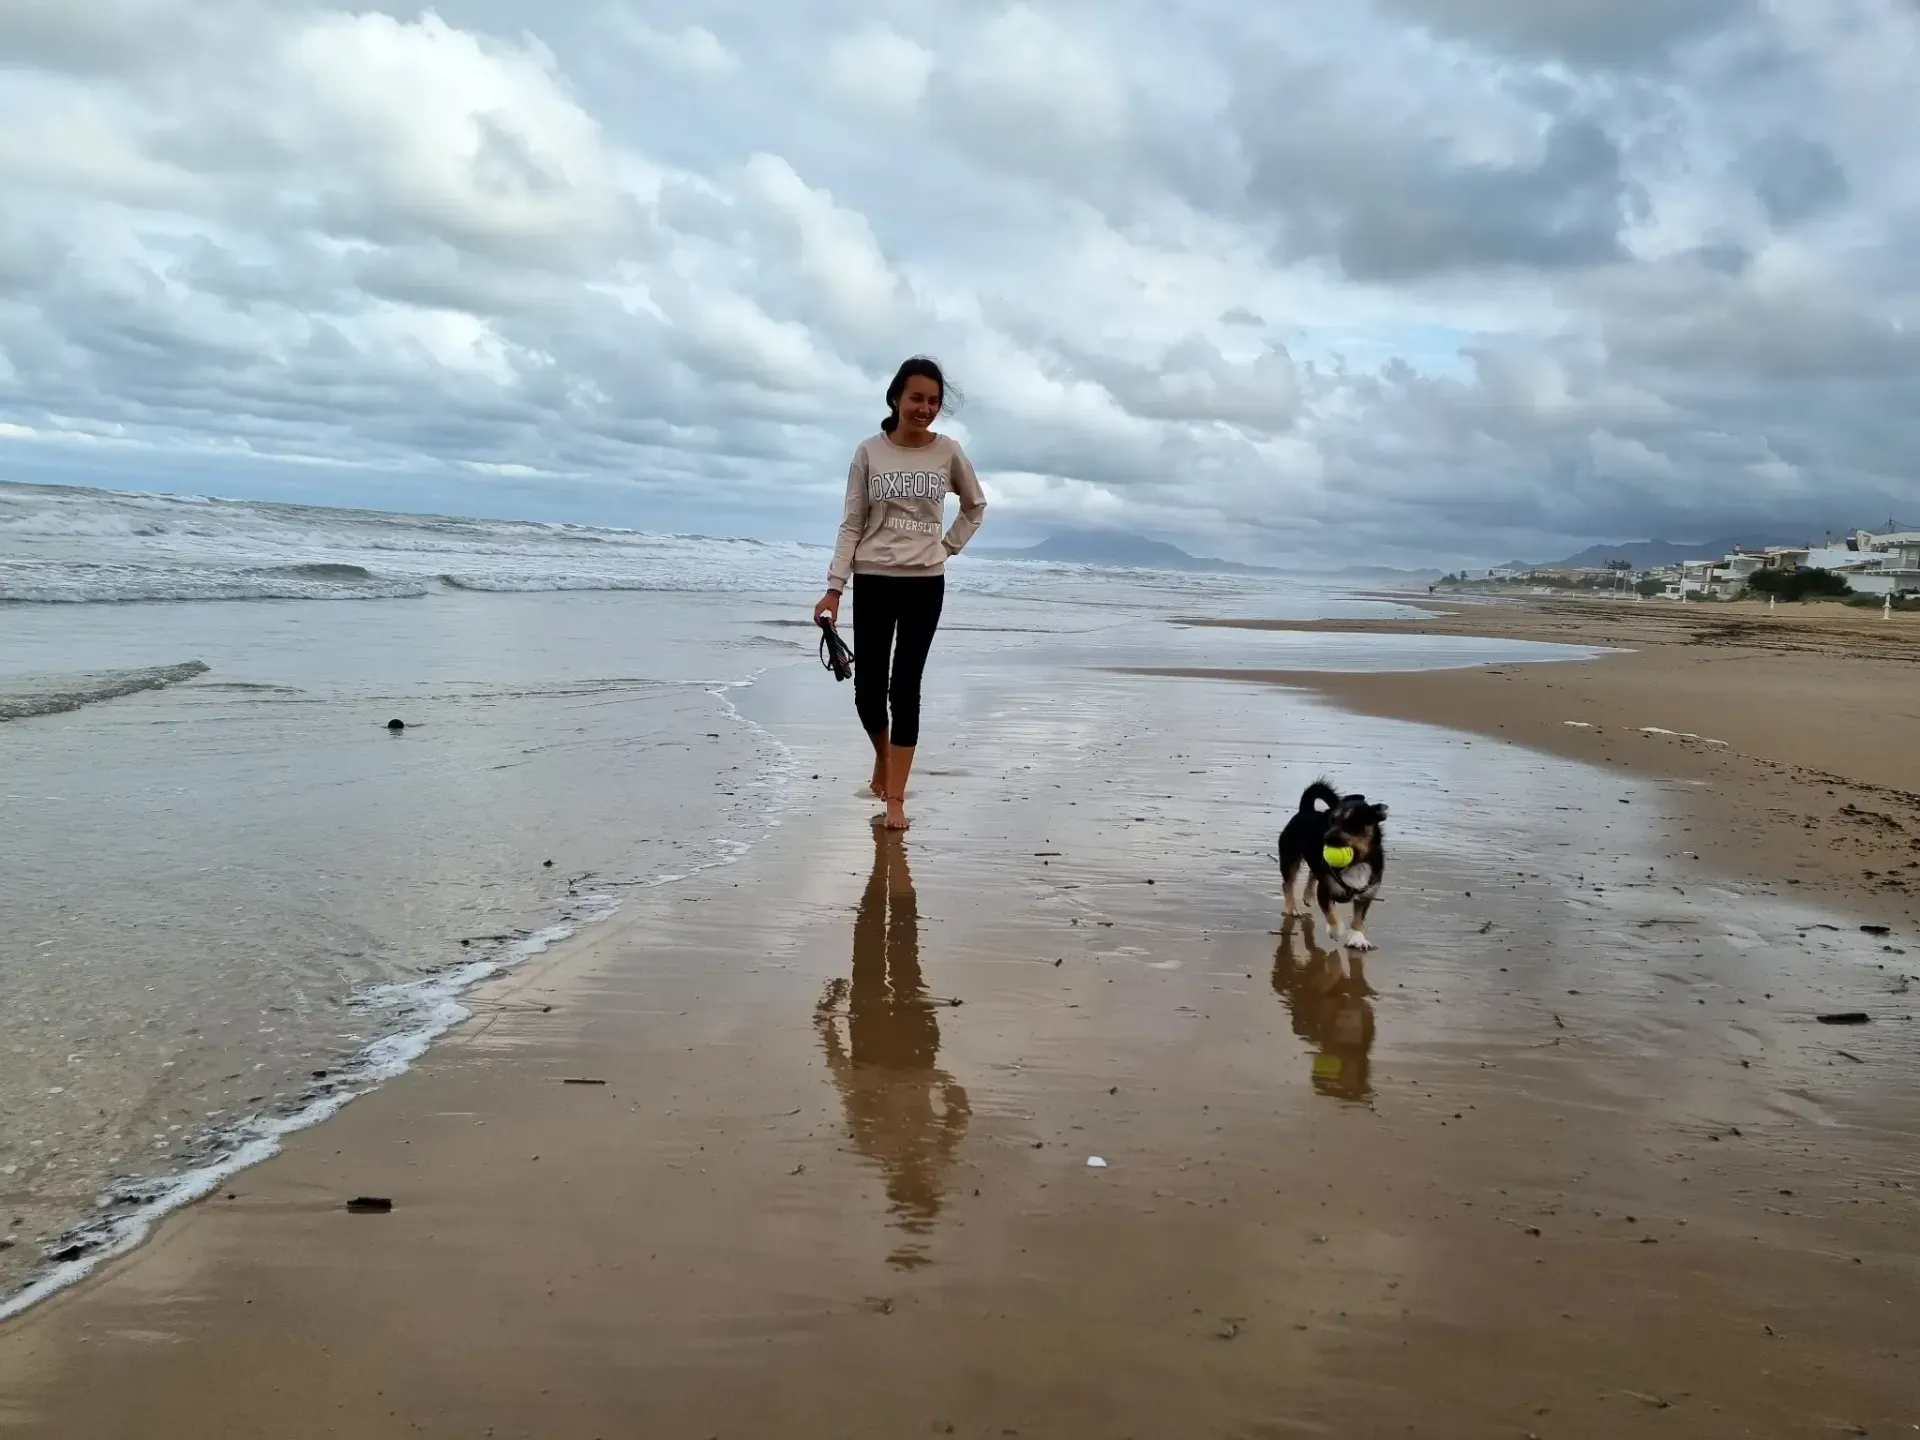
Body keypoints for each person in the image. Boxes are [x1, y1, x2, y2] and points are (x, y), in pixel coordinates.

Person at [813, 357, 987, 830]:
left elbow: (975, 506)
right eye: (917, 398)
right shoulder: (869, 451)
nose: (925, 408)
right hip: (872, 581)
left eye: (933, 400)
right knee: (868, 694)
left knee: (904, 688)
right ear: (896, 397)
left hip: (924, 585)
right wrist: (834, 589)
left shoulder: (948, 452)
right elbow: (852, 523)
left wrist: (946, 547)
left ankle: (895, 798)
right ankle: (885, 757)